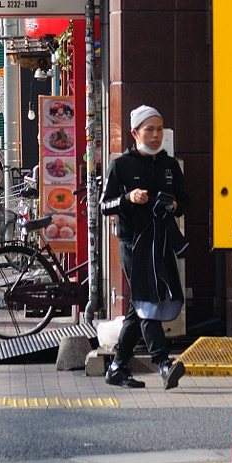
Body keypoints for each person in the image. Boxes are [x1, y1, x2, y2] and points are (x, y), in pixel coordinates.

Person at [100, 105, 188, 392]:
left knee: (139, 307)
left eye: (159, 129)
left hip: (161, 242)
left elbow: (185, 202)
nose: (155, 135)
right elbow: (104, 205)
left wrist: (175, 205)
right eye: (148, 130)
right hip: (133, 244)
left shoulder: (169, 165)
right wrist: (128, 198)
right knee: (146, 300)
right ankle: (163, 364)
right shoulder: (121, 165)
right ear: (134, 133)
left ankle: (116, 367)